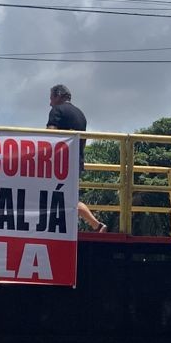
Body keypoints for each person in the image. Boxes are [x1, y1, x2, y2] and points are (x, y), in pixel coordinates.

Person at [46, 84, 103, 233]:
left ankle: (95, 224)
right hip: (75, 162)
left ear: (59, 96)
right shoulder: (80, 114)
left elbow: (49, 136)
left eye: (51, 97)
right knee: (67, 197)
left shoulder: (57, 110)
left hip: (58, 164)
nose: (50, 102)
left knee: (57, 197)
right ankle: (96, 225)